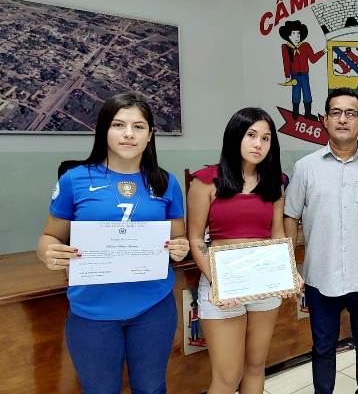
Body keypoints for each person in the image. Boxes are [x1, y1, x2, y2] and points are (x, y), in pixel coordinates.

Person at [36, 92, 189, 394]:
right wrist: (47, 252)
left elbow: (178, 237)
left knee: (152, 388)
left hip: (153, 307)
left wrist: (180, 247)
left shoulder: (165, 182)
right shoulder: (74, 180)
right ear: (104, 130)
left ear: (150, 135)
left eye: (139, 126)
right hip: (92, 312)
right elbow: (49, 236)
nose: (129, 134)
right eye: (119, 125)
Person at [284, 87, 358, 394]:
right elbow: (289, 216)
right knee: (323, 349)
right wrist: (289, 267)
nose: (343, 119)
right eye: (336, 113)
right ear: (324, 120)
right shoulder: (305, 167)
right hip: (319, 277)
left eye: (350, 113)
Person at [187, 107, 296, 394]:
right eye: (251, 135)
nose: (258, 144)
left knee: (256, 365)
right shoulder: (206, 180)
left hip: (262, 285)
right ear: (235, 136)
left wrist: (288, 274)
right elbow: (195, 239)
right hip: (221, 285)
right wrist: (218, 283)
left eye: (266, 138)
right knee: (227, 376)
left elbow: (277, 233)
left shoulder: (276, 183)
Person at [279, 19, 324, 120]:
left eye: (298, 34)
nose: (297, 36)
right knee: (296, 94)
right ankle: (295, 113)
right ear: (288, 35)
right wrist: (287, 76)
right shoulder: (286, 47)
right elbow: (286, 63)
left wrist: (323, 51)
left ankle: (307, 113)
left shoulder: (305, 46)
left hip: (304, 75)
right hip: (294, 75)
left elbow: (313, 59)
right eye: (294, 34)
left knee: (307, 93)